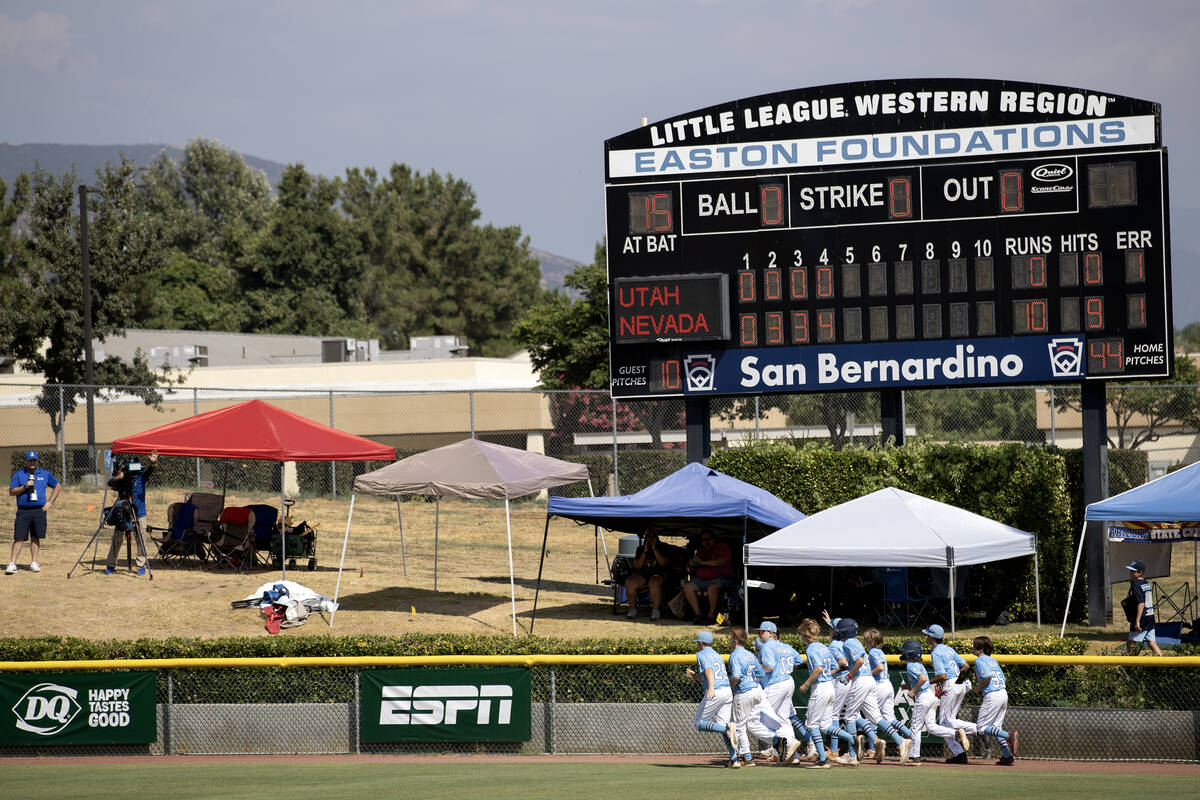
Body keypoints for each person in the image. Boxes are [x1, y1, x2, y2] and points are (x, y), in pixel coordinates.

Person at [899, 637, 964, 766]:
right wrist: (909, 686)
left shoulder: (911, 665)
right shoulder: (918, 664)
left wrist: (913, 691)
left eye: (905, 651)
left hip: (923, 697)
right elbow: (924, 680)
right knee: (931, 727)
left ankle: (914, 757)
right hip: (931, 697)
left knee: (915, 728)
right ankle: (955, 733)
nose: (903, 653)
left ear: (910, 653)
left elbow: (922, 679)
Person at [728, 627, 788, 766]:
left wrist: (728, 684)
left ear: (735, 640)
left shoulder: (735, 655)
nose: (731, 641)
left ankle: (747, 757)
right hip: (757, 690)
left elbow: (736, 676)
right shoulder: (750, 654)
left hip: (744, 693)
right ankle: (777, 740)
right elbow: (760, 674)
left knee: (739, 726)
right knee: (762, 721)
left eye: (731, 638)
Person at [685, 629, 740, 767]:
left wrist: (710, 688)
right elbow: (707, 674)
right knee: (723, 724)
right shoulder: (716, 654)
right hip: (727, 691)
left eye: (698, 642)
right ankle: (734, 759)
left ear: (700, 642)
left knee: (699, 722)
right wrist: (694, 676)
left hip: (716, 691)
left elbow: (709, 670)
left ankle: (727, 730)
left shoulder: (702, 653)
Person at [923, 623, 977, 762]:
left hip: (950, 684)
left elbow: (942, 676)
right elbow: (965, 666)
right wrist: (959, 681)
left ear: (931, 637)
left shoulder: (935, 652)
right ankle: (983, 731)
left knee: (944, 723)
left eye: (927, 635)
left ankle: (962, 751)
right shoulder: (948, 649)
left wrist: (928, 682)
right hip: (960, 683)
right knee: (950, 720)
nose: (926, 637)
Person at [752, 621, 802, 763]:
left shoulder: (768, 646)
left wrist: (755, 670)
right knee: (784, 719)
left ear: (770, 633)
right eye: (759, 632)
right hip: (788, 681)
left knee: (760, 718)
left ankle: (785, 743)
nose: (759, 634)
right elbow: (798, 660)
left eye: (762, 632)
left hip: (775, 684)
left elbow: (769, 667)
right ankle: (793, 756)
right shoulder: (785, 646)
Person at [863, 627, 914, 764]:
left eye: (865, 640)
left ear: (870, 640)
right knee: (889, 718)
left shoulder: (873, 651)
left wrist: (867, 674)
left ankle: (873, 748)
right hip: (888, 685)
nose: (864, 643)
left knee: (872, 718)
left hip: (879, 685)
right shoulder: (880, 651)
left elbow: (880, 667)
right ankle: (910, 736)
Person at [104, 451, 158, 576]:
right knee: (117, 538)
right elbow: (110, 483)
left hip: (139, 513)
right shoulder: (121, 480)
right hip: (123, 513)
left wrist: (153, 463)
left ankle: (141, 565)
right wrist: (119, 477)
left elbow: (150, 471)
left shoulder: (141, 477)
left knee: (141, 539)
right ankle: (110, 564)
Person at [7, 450, 60, 574]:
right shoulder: (19, 475)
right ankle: (12, 563)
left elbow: (57, 486)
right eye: (30, 460)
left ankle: (34, 562)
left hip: (39, 511)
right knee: (19, 537)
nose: (32, 463)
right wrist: (25, 487)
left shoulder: (45, 474)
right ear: (25, 461)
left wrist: (50, 502)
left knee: (36, 537)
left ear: (37, 461)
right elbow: (11, 491)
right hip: (23, 511)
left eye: (34, 460)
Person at [970, 635, 1018, 766]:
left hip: (992, 695)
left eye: (974, 645)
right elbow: (1002, 678)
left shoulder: (979, 660)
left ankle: (1008, 735)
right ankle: (1007, 756)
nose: (972, 648)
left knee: (981, 727)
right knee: (995, 727)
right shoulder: (993, 660)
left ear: (980, 649)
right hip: (1003, 693)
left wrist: (977, 689)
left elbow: (987, 677)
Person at [681, 530, 734, 623]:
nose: (706, 542)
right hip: (701, 580)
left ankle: (710, 616)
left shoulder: (722, 547)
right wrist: (691, 564)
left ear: (714, 538)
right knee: (687, 586)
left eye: (709, 539)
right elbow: (693, 568)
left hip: (720, 579)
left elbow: (721, 561)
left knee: (712, 587)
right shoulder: (700, 550)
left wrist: (703, 562)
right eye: (704, 540)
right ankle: (698, 615)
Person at [624, 527, 676, 620]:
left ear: (657, 537)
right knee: (630, 582)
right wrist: (644, 552)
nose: (651, 538)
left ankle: (655, 610)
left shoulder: (664, 547)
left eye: (653, 536)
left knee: (654, 582)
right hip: (642, 575)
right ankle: (632, 609)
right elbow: (637, 565)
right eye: (648, 536)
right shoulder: (640, 548)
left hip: (658, 574)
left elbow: (663, 563)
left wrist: (655, 550)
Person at [1124, 559, 1163, 656]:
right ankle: (1163, 661)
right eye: (1130, 570)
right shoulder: (1145, 582)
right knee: (1151, 642)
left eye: (1133, 571)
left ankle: (1129, 664)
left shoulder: (1135, 584)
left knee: (1131, 643)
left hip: (1142, 617)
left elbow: (1141, 603)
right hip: (1150, 616)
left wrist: (1137, 621)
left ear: (1140, 573)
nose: (1131, 573)